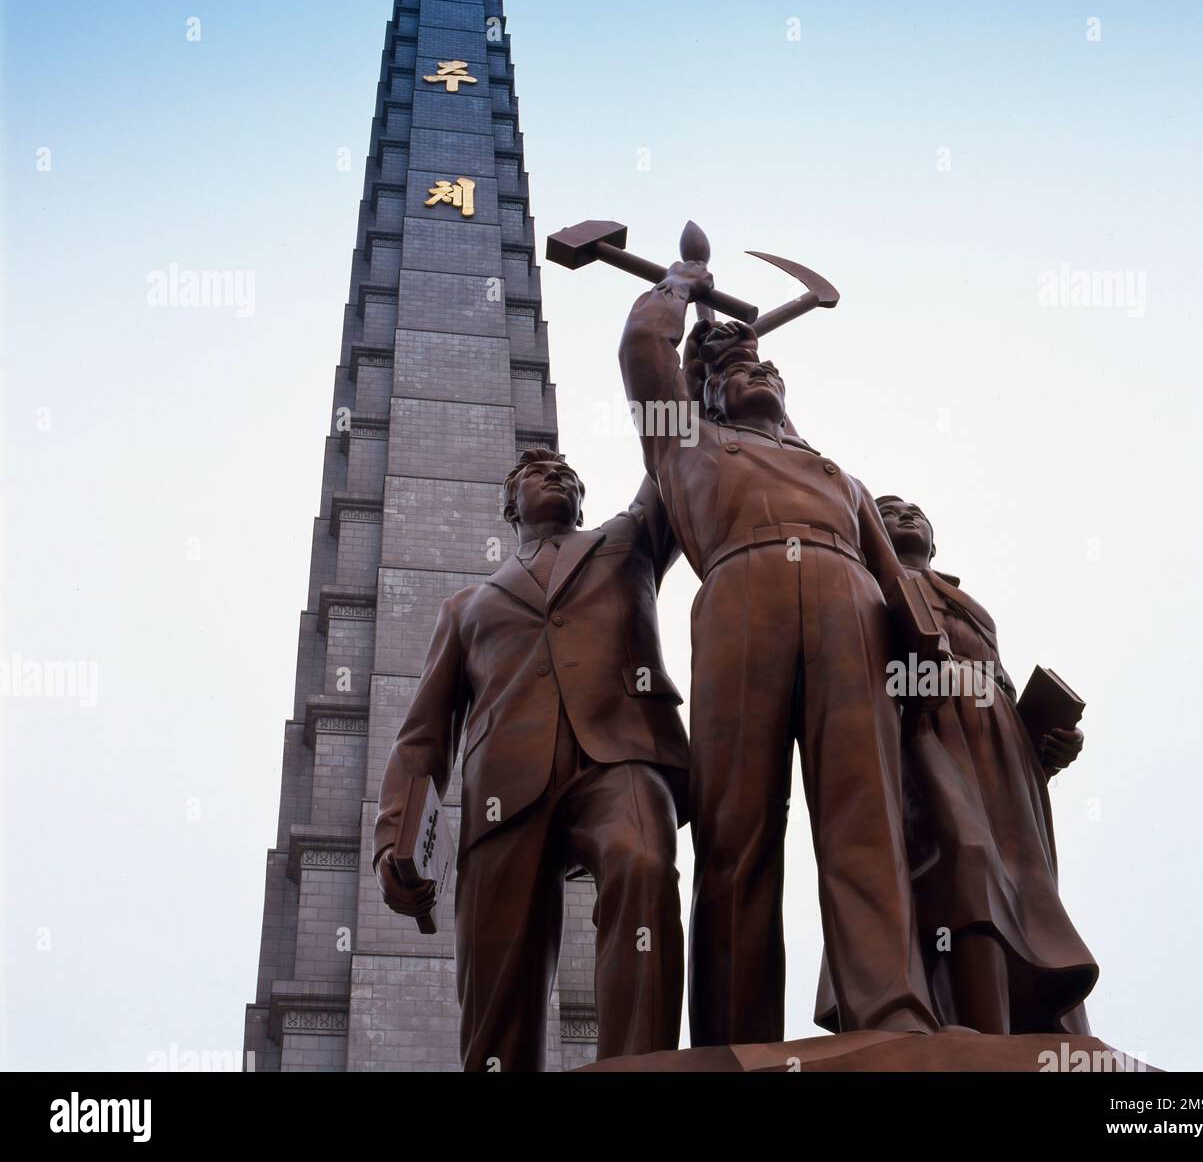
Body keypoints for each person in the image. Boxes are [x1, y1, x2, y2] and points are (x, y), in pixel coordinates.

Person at [620, 264, 939, 1046]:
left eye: (763, 366)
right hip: (740, 593)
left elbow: (900, 589)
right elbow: (641, 348)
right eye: (730, 368)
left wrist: (929, 671)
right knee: (735, 824)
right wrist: (677, 287)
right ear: (704, 389)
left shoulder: (841, 476)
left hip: (850, 608)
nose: (752, 373)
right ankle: (735, 1032)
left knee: (865, 818)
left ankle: (889, 1011)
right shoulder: (682, 442)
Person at [374, 449, 689, 1070]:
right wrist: (394, 837)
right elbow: (424, 735)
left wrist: (691, 373)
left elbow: (673, 455)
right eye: (537, 472)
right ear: (509, 506)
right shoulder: (467, 608)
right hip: (504, 789)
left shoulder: (627, 541)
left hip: (619, 756)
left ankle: (639, 1064)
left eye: (567, 474)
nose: (556, 474)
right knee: (498, 973)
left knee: (644, 866)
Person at [817, 496, 1097, 1035]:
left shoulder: (966, 601)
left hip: (1001, 753)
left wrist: (1050, 742)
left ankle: (1024, 1028)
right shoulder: (861, 581)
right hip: (917, 730)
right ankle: (971, 1028)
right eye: (889, 510)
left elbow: (1002, 686)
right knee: (961, 861)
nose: (905, 515)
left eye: (915, 511)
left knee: (1021, 883)